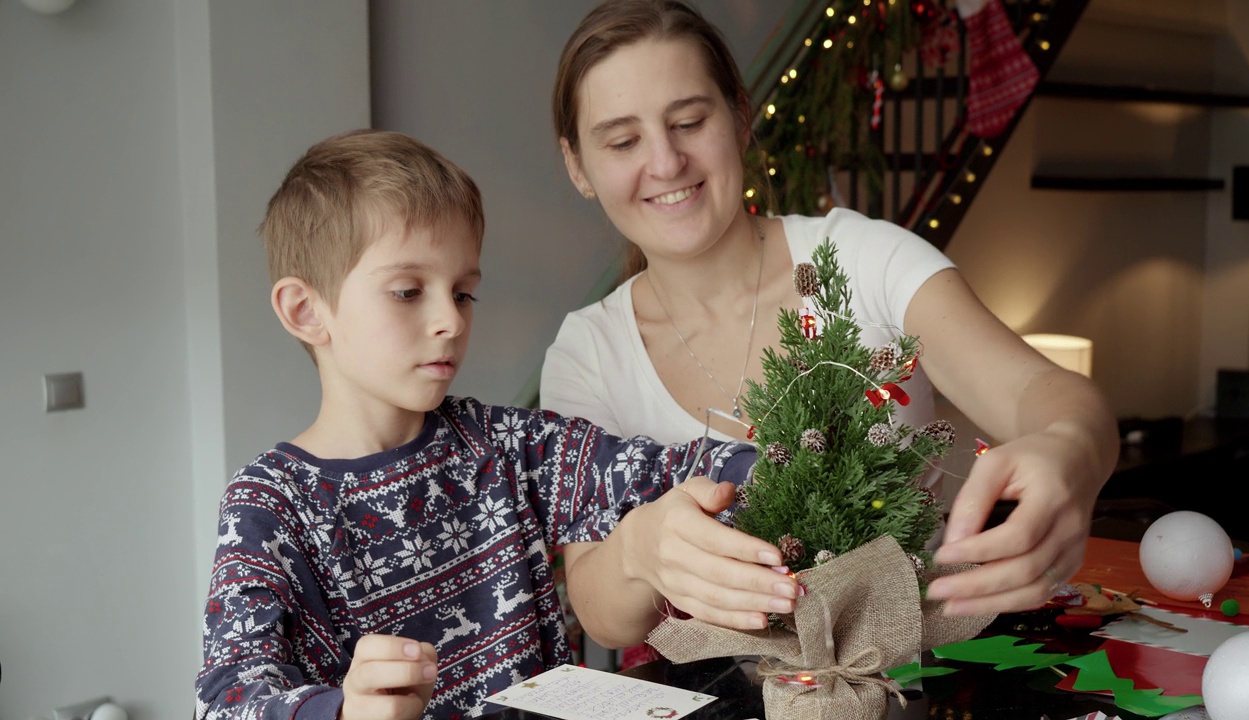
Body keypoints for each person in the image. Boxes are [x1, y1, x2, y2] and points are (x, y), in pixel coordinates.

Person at [541, 0, 1119, 625]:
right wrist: (638, 550)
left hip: (906, 685)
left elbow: (1043, 390)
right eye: (624, 141)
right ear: (579, 166)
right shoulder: (589, 354)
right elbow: (599, 609)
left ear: (739, 116)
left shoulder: (867, 260)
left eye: (688, 122)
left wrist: (1073, 448)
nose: (665, 162)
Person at [193, 129, 801, 720]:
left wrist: (793, 470)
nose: (450, 322)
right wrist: (343, 711)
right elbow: (225, 699)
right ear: (306, 311)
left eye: (463, 293)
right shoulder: (269, 505)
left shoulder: (508, 447)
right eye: (408, 291)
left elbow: (675, 470)